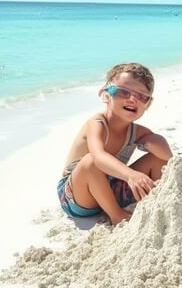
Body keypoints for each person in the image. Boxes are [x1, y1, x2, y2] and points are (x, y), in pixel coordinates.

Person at [57, 62, 172, 225]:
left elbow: (168, 157)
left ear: (148, 104)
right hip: (77, 196)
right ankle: (117, 215)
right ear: (105, 95)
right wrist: (131, 175)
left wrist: (153, 141)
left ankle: (158, 200)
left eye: (142, 96)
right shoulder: (97, 123)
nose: (132, 99)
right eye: (123, 92)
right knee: (91, 160)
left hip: (109, 189)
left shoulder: (137, 131)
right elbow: (98, 157)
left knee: (157, 160)